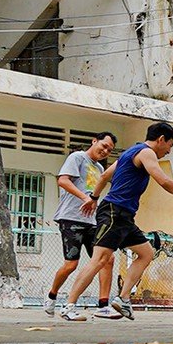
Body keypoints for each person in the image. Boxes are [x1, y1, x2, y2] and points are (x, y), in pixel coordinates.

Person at [58, 121, 173, 321]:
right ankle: (69, 306)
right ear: (161, 139)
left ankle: (123, 298)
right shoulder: (146, 153)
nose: (169, 151)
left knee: (146, 253)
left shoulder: (129, 153)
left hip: (124, 215)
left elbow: (104, 175)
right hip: (114, 212)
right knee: (99, 260)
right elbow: (163, 181)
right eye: (170, 145)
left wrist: (93, 198)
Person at [46, 132, 116, 315]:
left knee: (107, 259)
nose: (106, 150)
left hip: (92, 222)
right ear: (94, 141)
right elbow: (62, 180)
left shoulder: (100, 168)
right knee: (71, 265)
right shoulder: (77, 157)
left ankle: (103, 305)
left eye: (110, 149)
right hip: (71, 218)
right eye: (104, 145)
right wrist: (86, 197)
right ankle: (52, 296)